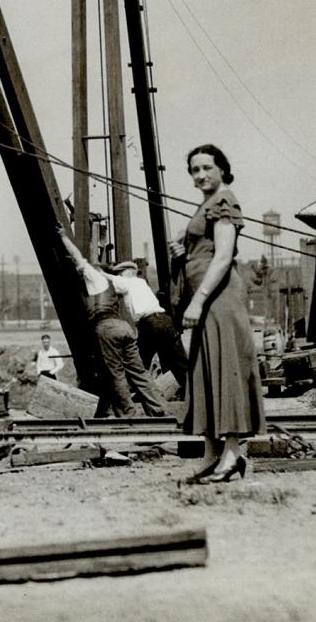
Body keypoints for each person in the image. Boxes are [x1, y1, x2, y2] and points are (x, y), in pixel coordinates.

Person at [176, 143, 265, 482]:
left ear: (222, 169)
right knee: (206, 371)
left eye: (206, 168)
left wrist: (197, 300)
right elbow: (206, 247)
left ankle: (232, 454)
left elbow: (224, 255)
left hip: (219, 298)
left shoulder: (225, 201)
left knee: (225, 369)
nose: (200, 175)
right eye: (194, 170)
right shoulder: (209, 203)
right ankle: (212, 455)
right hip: (208, 299)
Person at [59, 230, 168, 417]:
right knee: (138, 372)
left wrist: (63, 237)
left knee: (115, 373)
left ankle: (127, 415)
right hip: (124, 328)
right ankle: (160, 410)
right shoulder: (113, 285)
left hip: (106, 329)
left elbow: (79, 259)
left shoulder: (94, 278)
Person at [111, 259, 187, 400]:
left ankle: (136, 397)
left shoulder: (128, 282)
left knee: (137, 363)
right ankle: (193, 394)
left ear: (126, 273)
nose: (118, 277)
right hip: (165, 322)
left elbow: (108, 282)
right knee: (179, 363)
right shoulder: (141, 283)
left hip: (150, 325)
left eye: (119, 274)